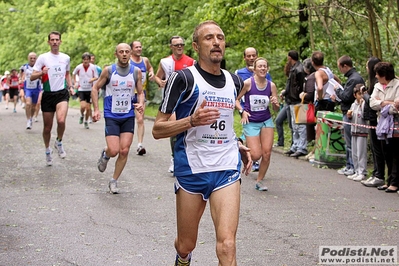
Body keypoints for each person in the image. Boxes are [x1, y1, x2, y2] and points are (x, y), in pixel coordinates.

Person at [152, 20, 252, 266]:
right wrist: (191, 121)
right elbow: (157, 129)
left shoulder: (234, 81)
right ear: (196, 46)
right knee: (187, 243)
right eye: (209, 38)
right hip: (192, 167)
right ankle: (183, 258)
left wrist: (237, 142)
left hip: (226, 167)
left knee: (227, 245)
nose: (216, 42)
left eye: (220, 37)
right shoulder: (183, 79)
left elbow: (226, 121)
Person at [92, 43, 144, 194]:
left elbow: (140, 92)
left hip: (128, 115)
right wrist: (96, 109)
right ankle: (106, 154)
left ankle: (114, 181)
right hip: (112, 115)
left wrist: (140, 103)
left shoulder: (136, 72)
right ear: (116, 54)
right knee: (114, 150)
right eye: (121, 52)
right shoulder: (109, 71)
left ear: (130, 53)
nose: (124, 54)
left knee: (124, 150)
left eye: (127, 51)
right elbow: (95, 88)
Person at [31, 31, 74, 166]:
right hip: (48, 94)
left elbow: (67, 74)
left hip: (62, 93)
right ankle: (47, 150)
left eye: (57, 40)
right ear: (48, 42)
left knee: (61, 121)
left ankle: (59, 142)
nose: (55, 42)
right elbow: (32, 76)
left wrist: (71, 86)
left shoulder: (65, 58)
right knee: (47, 128)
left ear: (60, 41)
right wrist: (40, 73)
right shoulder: (43, 58)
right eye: (52, 40)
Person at [236, 57, 279, 191]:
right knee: (255, 155)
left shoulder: (271, 85)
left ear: (267, 69)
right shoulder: (248, 83)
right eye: (259, 66)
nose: (262, 68)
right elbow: (236, 100)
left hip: (266, 121)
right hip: (251, 122)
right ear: (254, 69)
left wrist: (275, 104)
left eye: (264, 66)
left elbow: (276, 108)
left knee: (267, 153)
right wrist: (242, 111)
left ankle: (259, 181)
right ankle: (240, 145)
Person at [154, 35, 195, 174]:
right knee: (174, 128)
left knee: (188, 128)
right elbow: (157, 76)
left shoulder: (191, 62)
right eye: (176, 45)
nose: (179, 47)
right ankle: (174, 158)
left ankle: (189, 157)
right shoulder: (165, 62)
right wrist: (160, 82)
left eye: (181, 44)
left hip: (188, 100)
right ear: (171, 47)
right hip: (172, 101)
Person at [235, 47, 272, 172]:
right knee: (255, 151)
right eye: (248, 56)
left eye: (253, 55)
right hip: (247, 111)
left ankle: (243, 143)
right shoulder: (239, 73)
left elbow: (269, 92)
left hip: (263, 114)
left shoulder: (266, 73)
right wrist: (241, 110)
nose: (251, 58)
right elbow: (235, 95)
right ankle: (247, 151)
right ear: (244, 57)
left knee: (263, 146)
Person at [370, 62, 399, 193]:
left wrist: (382, 104)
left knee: (395, 152)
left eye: (377, 74)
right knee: (385, 151)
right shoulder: (377, 86)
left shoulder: (397, 85)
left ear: (384, 75)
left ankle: (395, 182)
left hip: (394, 124)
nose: (375, 76)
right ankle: (389, 180)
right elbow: (372, 103)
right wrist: (386, 103)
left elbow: (396, 107)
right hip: (382, 124)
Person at [335, 55, 365, 176]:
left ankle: (353, 166)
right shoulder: (352, 78)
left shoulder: (354, 79)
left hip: (350, 113)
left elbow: (347, 97)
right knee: (349, 141)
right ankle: (350, 165)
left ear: (345, 66)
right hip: (348, 111)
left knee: (351, 142)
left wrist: (337, 90)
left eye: (340, 68)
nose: (340, 71)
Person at [361, 57, 385, 187]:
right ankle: (376, 173)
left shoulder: (377, 83)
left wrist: (364, 94)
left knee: (378, 148)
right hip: (371, 117)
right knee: (375, 147)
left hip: (376, 118)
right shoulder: (373, 82)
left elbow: (372, 101)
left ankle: (379, 174)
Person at [129, 40, 155, 155]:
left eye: (140, 47)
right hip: (128, 94)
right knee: (126, 119)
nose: (139, 49)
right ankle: (123, 141)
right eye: (136, 47)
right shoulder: (127, 60)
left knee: (140, 119)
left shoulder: (145, 60)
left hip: (140, 93)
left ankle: (140, 145)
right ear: (132, 49)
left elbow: (150, 68)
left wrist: (151, 73)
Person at [282, 50, 307, 158]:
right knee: (294, 125)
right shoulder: (293, 69)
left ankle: (302, 147)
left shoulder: (299, 70)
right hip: (291, 100)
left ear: (289, 57)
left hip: (298, 101)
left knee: (300, 125)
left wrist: (299, 95)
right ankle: (295, 145)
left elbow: (301, 85)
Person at [346, 84, 369, 181]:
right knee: (354, 153)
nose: (361, 96)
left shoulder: (364, 104)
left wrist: (362, 102)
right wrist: (349, 116)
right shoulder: (353, 104)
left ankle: (362, 172)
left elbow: (364, 115)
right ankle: (356, 170)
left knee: (361, 153)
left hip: (362, 131)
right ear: (355, 95)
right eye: (359, 94)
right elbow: (351, 117)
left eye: (362, 94)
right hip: (353, 131)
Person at [72, 52, 99, 129]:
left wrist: (92, 79)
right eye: (84, 59)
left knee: (88, 108)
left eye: (87, 59)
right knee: (83, 106)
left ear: (89, 60)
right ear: (82, 60)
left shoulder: (93, 67)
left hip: (90, 89)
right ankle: (81, 115)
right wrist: (75, 82)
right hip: (81, 89)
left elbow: (96, 77)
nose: (86, 61)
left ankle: (86, 121)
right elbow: (73, 74)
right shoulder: (79, 67)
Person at [20, 52, 41, 129]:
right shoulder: (24, 67)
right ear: (28, 58)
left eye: (34, 58)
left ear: (36, 59)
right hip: (28, 88)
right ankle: (28, 120)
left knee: (33, 106)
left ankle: (31, 118)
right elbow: (21, 75)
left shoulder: (39, 67)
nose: (32, 59)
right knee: (28, 104)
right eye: (31, 58)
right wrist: (21, 79)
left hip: (36, 88)